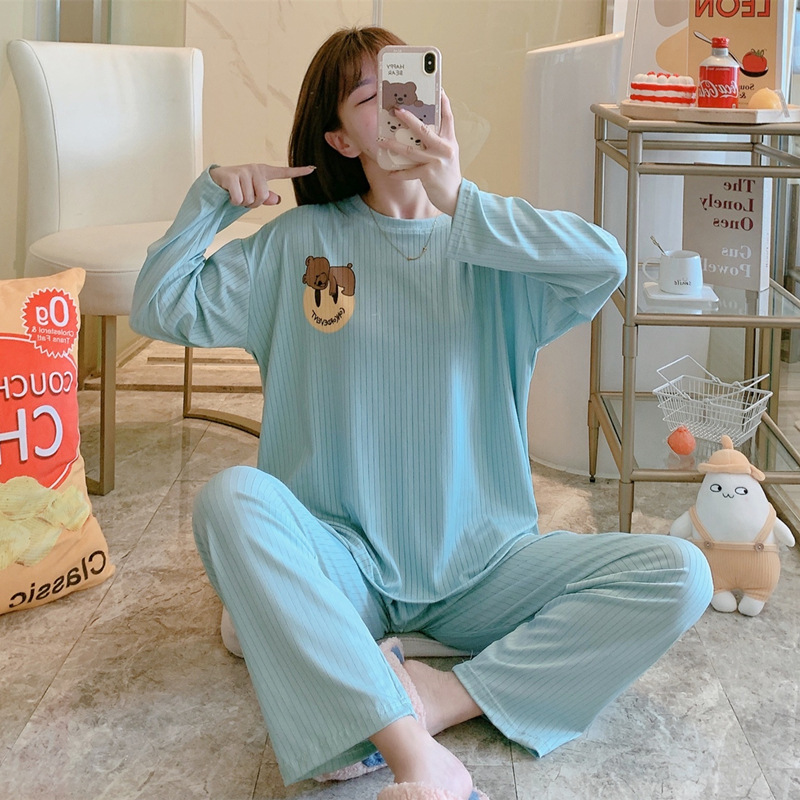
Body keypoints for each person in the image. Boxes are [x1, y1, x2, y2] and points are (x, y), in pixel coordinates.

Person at [130, 25, 713, 800]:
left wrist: (461, 199)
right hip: (347, 561)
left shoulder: (492, 245)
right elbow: (158, 305)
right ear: (341, 139)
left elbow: (605, 263)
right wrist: (212, 197)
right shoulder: (299, 244)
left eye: (410, 88)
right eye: (373, 96)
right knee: (229, 499)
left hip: (485, 569)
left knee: (681, 574)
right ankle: (410, 748)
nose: (401, 109)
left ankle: (433, 692)